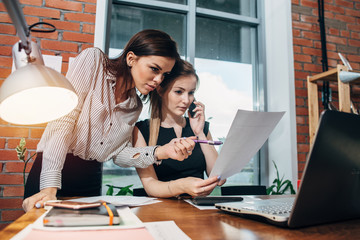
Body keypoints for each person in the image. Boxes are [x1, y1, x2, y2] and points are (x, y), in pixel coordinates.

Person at [22, 29, 196, 212]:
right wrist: (49, 187)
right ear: (131, 58)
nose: (158, 80)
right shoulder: (94, 61)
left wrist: (161, 151)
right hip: (51, 169)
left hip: (89, 177)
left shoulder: (134, 106)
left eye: (164, 75)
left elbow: (118, 154)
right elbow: (63, 121)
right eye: (154, 69)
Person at [133, 60, 226, 198]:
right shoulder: (141, 130)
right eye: (179, 92)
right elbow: (150, 186)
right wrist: (182, 185)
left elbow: (220, 178)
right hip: (162, 210)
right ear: (160, 90)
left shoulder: (201, 128)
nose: (186, 100)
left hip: (198, 208)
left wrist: (199, 132)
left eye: (191, 93)